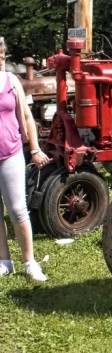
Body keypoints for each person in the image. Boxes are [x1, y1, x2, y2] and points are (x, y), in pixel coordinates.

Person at [0, 37, 51, 281]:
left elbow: (28, 117)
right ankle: (4, 262)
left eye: (1, 55)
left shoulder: (12, 81)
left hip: (10, 153)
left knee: (18, 210)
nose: (0, 59)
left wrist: (35, 148)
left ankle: (30, 262)